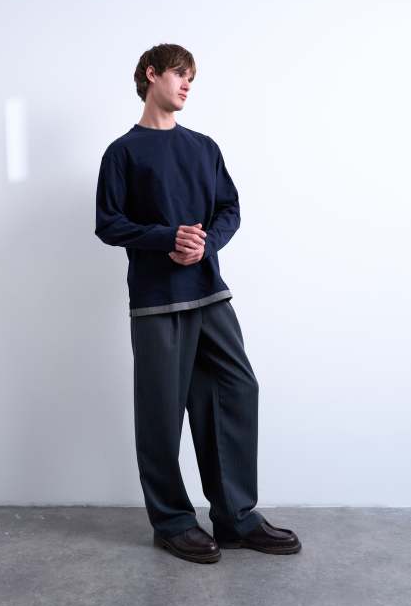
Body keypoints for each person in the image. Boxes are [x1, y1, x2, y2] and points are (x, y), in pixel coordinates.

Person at [94, 43, 301, 564]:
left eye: (192, 77)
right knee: (161, 413)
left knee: (235, 390)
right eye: (179, 74)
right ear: (151, 75)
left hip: (209, 294)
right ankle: (172, 522)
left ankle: (235, 518)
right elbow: (109, 223)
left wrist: (204, 244)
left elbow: (229, 209)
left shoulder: (204, 147)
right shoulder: (122, 152)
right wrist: (167, 237)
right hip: (157, 302)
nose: (187, 84)